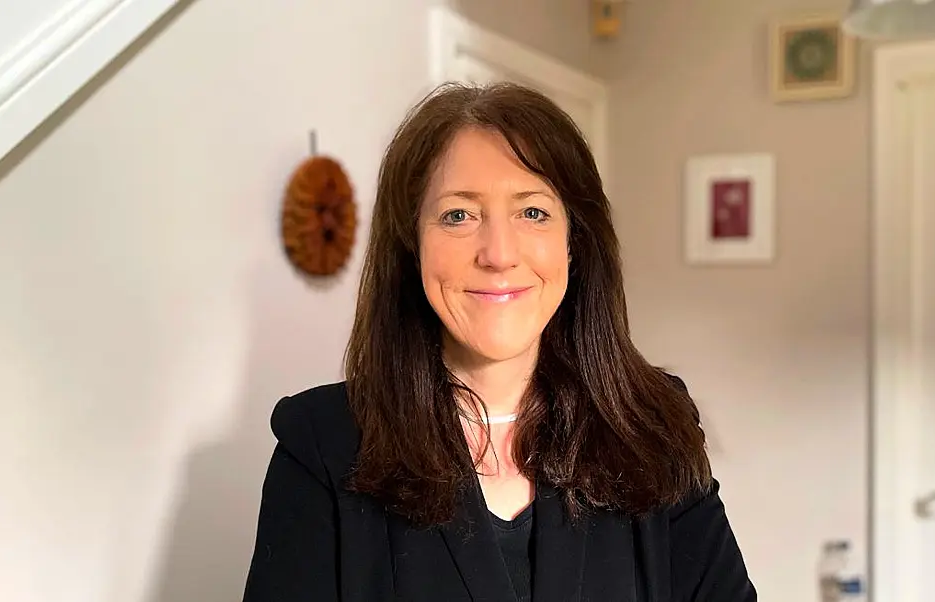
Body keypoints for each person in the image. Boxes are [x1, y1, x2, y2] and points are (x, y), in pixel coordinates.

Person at [241, 82, 757, 602]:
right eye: (458, 215)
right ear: (411, 244)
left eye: (532, 212)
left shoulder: (653, 426)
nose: (499, 253)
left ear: (574, 243)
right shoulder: (322, 447)